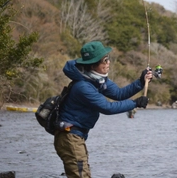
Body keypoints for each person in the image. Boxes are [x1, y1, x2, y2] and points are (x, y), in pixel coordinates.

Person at [54, 41, 153, 178]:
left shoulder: (98, 80)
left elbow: (119, 94)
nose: (108, 63)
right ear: (93, 65)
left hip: (76, 137)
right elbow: (107, 107)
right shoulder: (83, 87)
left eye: (108, 59)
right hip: (69, 137)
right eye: (105, 60)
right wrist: (135, 103)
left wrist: (141, 81)